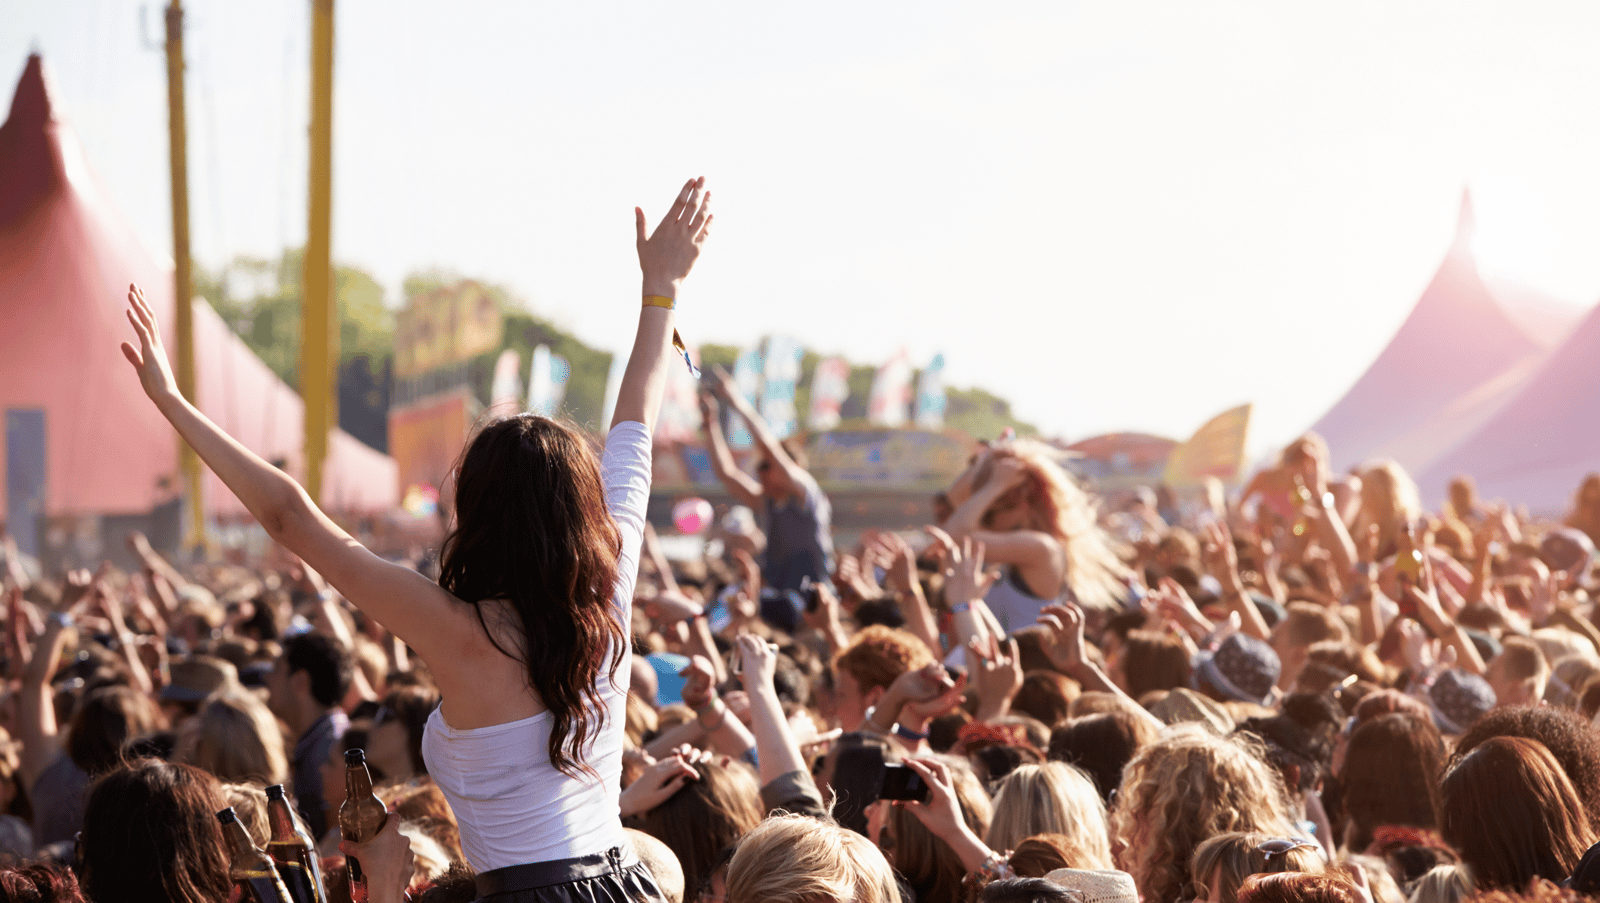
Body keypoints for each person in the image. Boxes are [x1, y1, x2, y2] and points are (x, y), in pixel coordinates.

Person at [120, 177, 712, 901]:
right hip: (625, 884)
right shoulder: (606, 586)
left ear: (482, 514)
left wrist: (173, 403)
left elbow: (291, 520)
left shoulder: (461, 627)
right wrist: (661, 294)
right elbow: (635, 429)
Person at [941, 440, 1128, 629]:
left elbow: (956, 536)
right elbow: (955, 497)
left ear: (1023, 506)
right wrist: (988, 459)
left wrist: (995, 484)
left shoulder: (1042, 548)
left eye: (988, 513)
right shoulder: (1022, 544)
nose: (982, 522)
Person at [699, 368, 835, 597]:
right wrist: (709, 423)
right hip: (779, 594)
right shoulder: (768, 500)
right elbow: (726, 473)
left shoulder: (805, 491)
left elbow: (769, 448)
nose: (760, 473)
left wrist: (735, 400)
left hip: (813, 595)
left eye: (766, 466)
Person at [266, 632, 352, 837]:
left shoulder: (329, 754)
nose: (267, 678)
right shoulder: (325, 739)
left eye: (277, 670)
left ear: (300, 682)